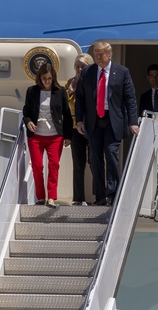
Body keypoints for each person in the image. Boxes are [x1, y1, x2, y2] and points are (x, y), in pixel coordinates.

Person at [75, 40, 138, 206]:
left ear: (109, 55)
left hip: (113, 120)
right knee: (95, 158)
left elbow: (130, 99)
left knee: (111, 153)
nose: (97, 57)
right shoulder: (88, 72)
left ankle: (113, 193)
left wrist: (133, 122)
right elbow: (80, 98)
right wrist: (79, 120)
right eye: (96, 54)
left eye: (101, 54)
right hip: (94, 121)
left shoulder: (122, 72)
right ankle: (100, 196)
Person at [22, 62, 72, 206]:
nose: (47, 81)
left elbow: (67, 115)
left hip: (55, 136)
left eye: (49, 78)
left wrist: (68, 136)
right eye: (44, 78)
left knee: (54, 165)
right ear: (39, 78)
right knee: (37, 166)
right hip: (36, 136)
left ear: (53, 78)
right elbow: (26, 111)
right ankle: (40, 197)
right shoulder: (31, 91)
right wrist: (28, 121)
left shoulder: (60, 91)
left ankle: (51, 197)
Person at [66, 53, 94, 205]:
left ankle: (100, 197)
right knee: (78, 163)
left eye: (83, 66)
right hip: (74, 127)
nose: (79, 69)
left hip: (91, 127)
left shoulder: (94, 82)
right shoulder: (70, 82)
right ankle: (78, 198)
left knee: (93, 161)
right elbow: (62, 105)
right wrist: (69, 91)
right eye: (77, 66)